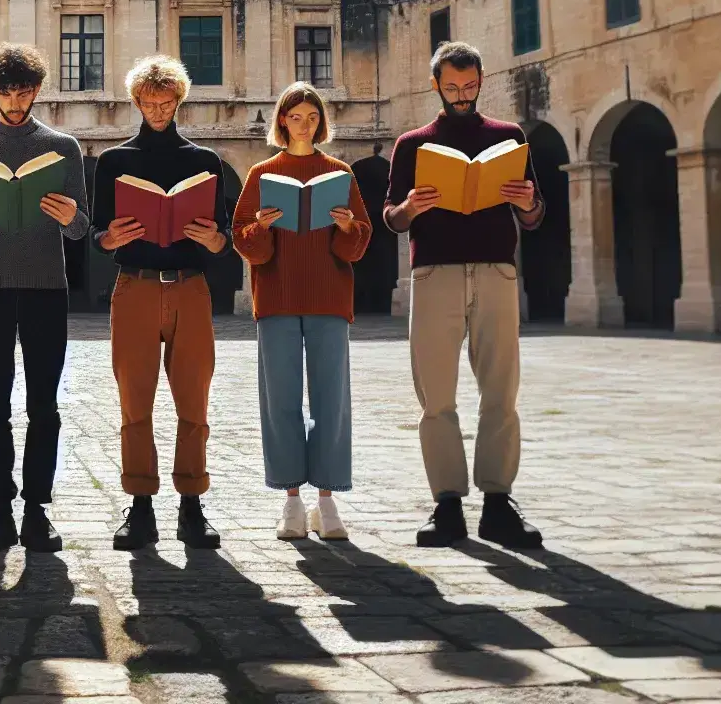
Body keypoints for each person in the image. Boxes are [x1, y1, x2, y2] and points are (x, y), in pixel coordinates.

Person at [383, 40, 545, 549]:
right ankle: (447, 504)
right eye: (452, 87)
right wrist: (410, 206)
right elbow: (391, 219)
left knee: (501, 391)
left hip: (497, 272)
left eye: (470, 86)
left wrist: (527, 201)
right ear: (436, 85)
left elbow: (536, 217)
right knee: (436, 397)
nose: (462, 96)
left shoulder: (509, 137)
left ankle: (499, 502)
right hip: (435, 275)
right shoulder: (413, 144)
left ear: (480, 81)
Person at [0, 43, 89, 553]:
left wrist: (69, 214)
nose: (15, 101)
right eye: (6, 92)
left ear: (37, 89)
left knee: (44, 406)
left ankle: (37, 509)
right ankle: (0, 508)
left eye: (24, 91)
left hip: (47, 290)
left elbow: (81, 231)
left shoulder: (64, 147)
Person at [90, 55, 229, 551]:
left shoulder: (205, 162)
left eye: (166, 101)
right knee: (135, 403)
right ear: (136, 101)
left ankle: (192, 505)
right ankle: (141, 506)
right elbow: (95, 235)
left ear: (179, 100)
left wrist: (214, 239)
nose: (157, 109)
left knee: (194, 401)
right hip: (135, 287)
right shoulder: (113, 162)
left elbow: (224, 238)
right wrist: (110, 237)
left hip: (191, 289)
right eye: (148, 101)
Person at [232, 82, 372, 540]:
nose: (304, 124)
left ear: (321, 122)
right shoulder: (261, 174)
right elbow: (243, 242)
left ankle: (327, 502)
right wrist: (260, 228)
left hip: (330, 299)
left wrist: (348, 226)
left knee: (333, 402)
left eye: (312, 117)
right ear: (282, 120)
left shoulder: (340, 174)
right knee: (281, 402)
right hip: (276, 299)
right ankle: (291, 501)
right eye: (296, 116)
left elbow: (358, 244)